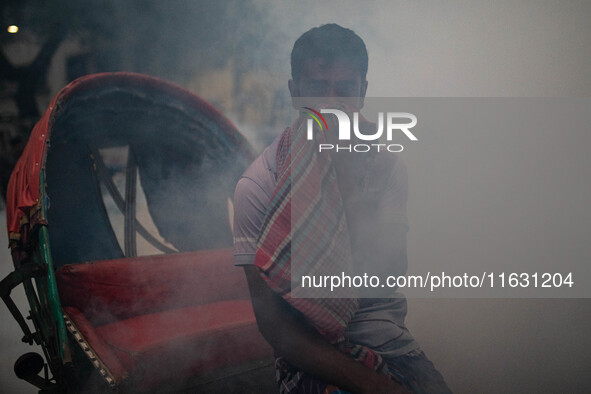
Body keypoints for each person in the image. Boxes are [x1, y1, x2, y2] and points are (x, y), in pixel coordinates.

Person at [233, 24, 451, 394]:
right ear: (294, 94)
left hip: (387, 339)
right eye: (317, 89)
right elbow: (275, 327)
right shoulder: (259, 185)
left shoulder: (385, 166)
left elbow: (389, 277)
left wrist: (348, 189)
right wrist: (372, 384)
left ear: (363, 93)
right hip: (307, 351)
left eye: (345, 89)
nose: (332, 105)